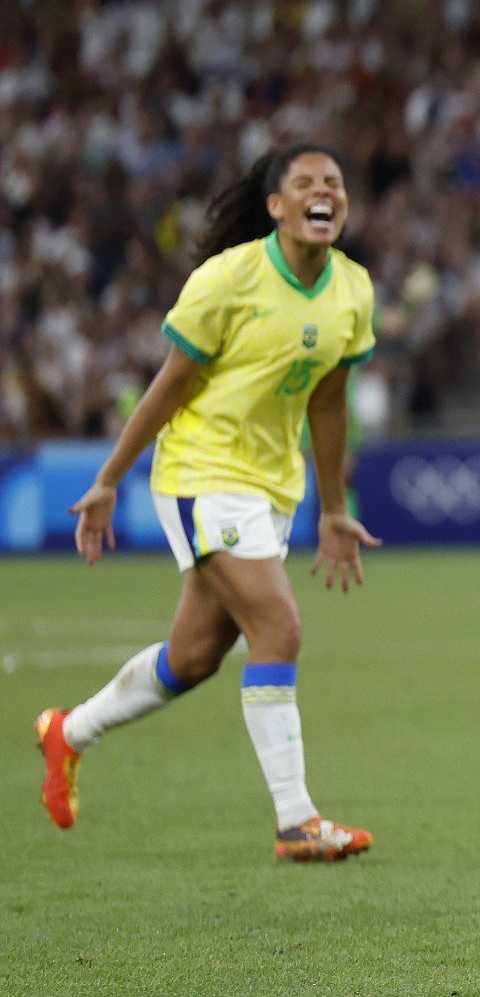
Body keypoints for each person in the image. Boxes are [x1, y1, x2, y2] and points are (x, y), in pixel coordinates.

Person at [36, 144, 383, 860]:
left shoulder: (353, 289)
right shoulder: (228, 279)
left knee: (194, 657)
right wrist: (109, 477)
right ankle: (297, 820)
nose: (324, 191)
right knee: (279, 626)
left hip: (271, 485)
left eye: (335, 182)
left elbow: (328, 400)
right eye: (306, 182)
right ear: (276, 206)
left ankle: (66, 733)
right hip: (202, 471)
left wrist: (332, 505)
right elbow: (170, 384)